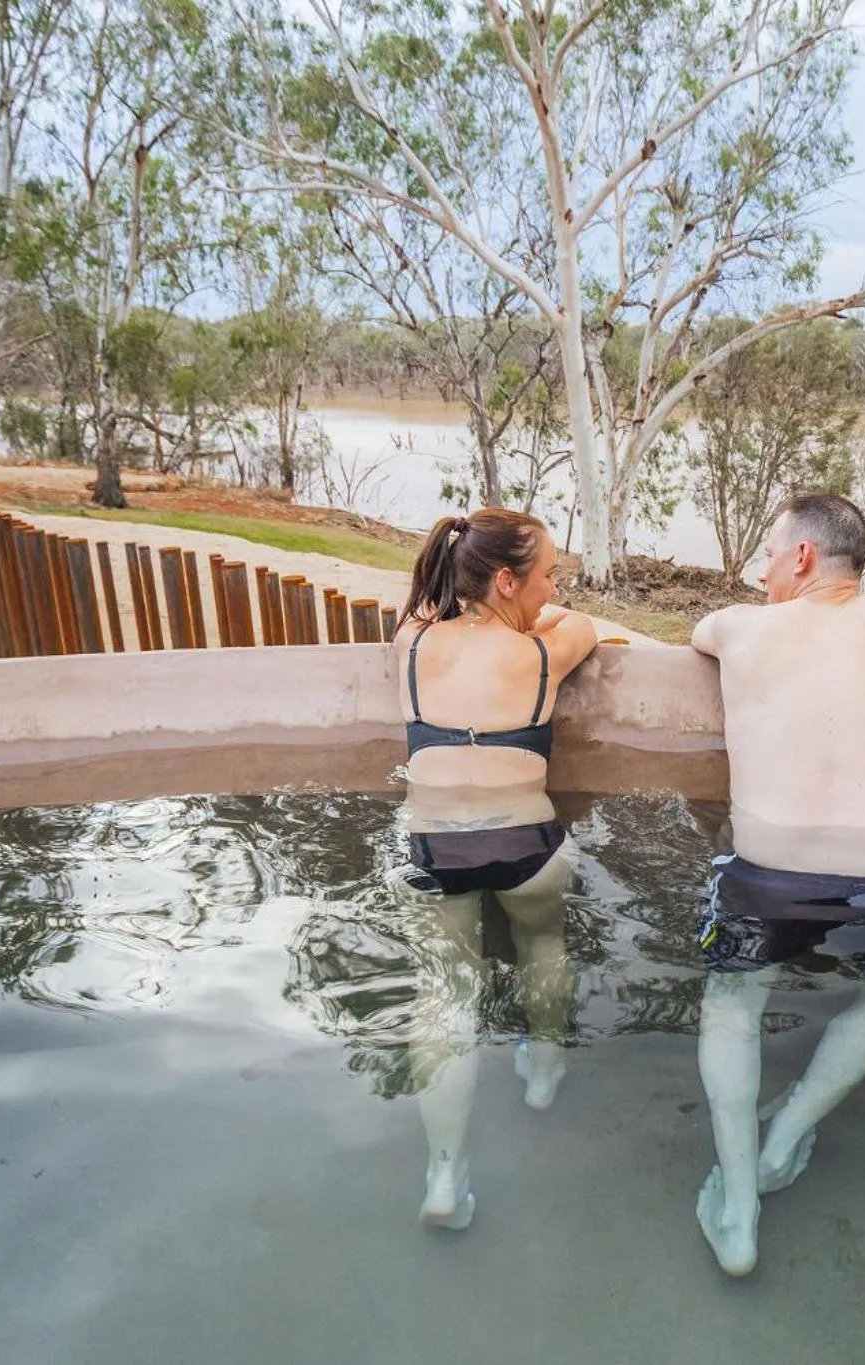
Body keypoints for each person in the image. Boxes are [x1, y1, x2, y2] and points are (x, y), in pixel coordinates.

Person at [687, 492, 865, 1276]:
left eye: (768, 552)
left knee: (733, 1007)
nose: (760, 569)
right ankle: (784, 1137)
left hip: (768, 879)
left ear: (801, 558)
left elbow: (700, 633)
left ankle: (739, 1208)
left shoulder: (739, 627)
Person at [389, 509, 598, 1230]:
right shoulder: (546, 650)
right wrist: (532, 616)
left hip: (435, 846)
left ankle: (444, 1174)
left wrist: (490, 603)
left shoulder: (411, 640)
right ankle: (543, 1072)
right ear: (507, 578)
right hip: (527, 845)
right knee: (544, 944)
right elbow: (580, 622)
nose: (551, 590)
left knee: (444, 993)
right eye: (545, 575)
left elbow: (428, 603)